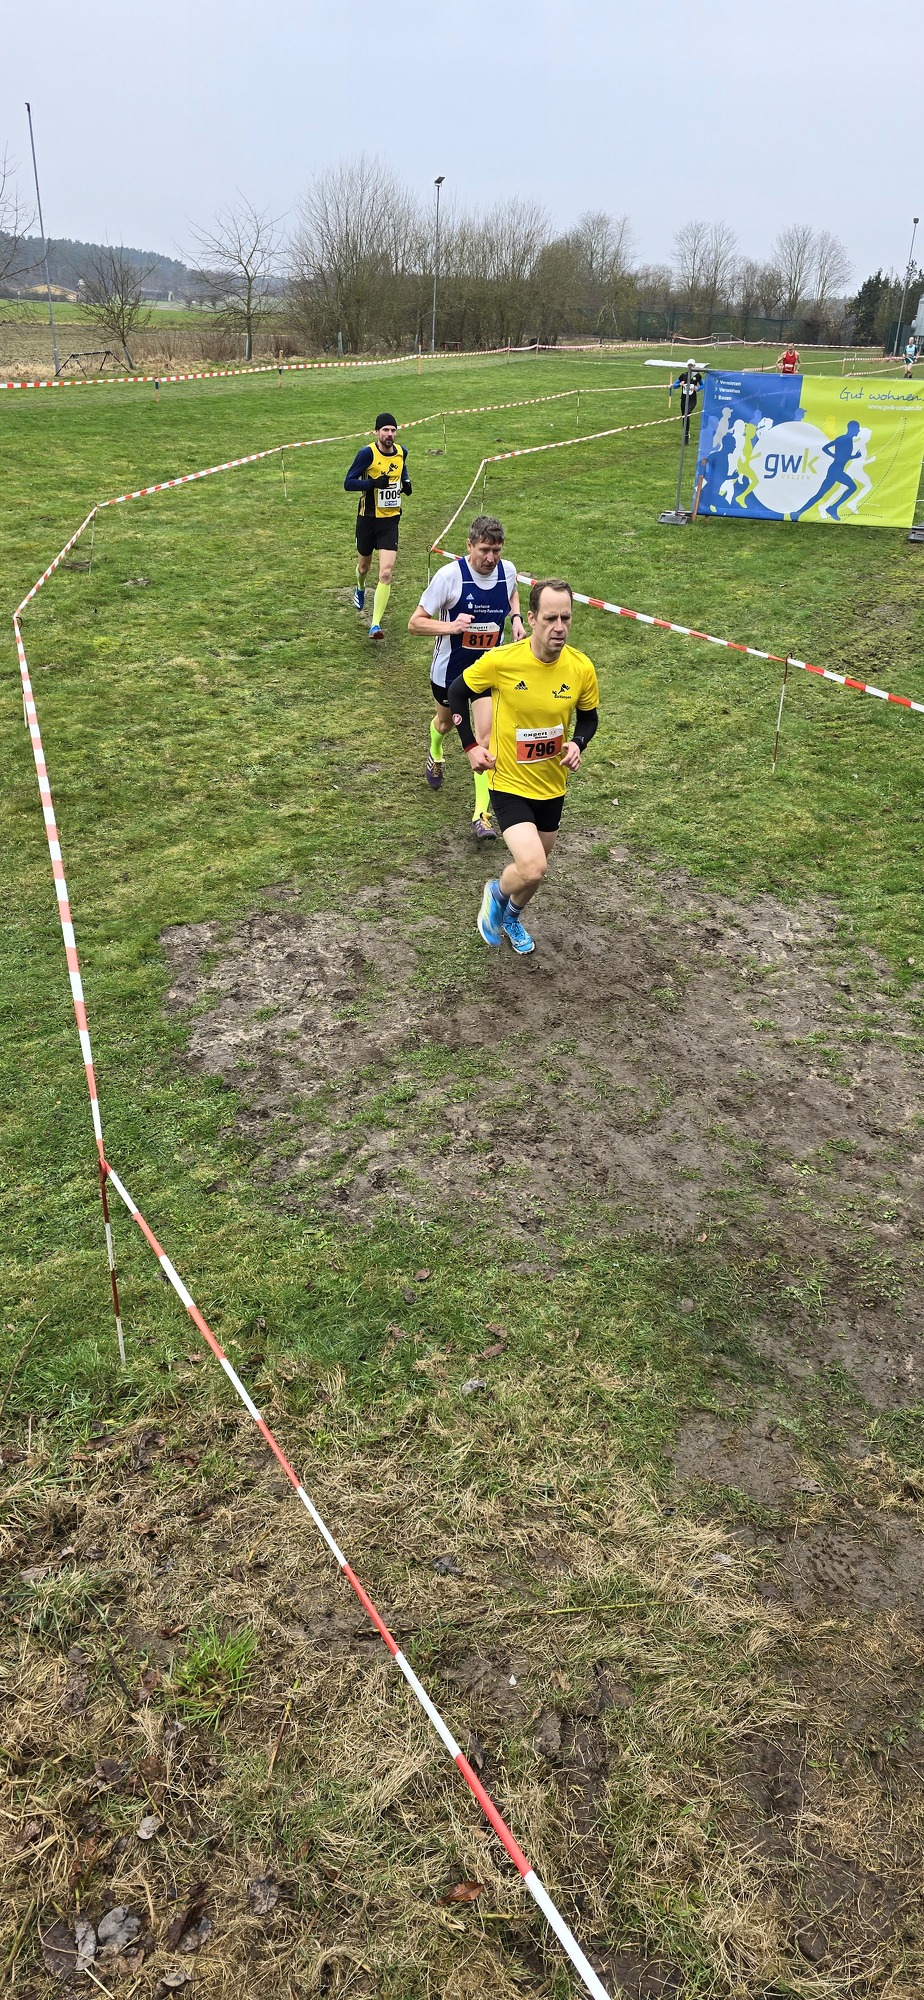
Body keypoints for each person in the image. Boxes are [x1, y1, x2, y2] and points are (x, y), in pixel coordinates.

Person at [445, 578, 599, 955]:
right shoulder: (503, 661)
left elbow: (589, 718)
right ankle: (496, 894)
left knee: (535, 872)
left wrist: (577, 743)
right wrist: (470, 747)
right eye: (550, 618)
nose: (559, 627)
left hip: (552, 785)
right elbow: (457, 692)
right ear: (531, 619)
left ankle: (512, 917)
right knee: (532, 867)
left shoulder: (580, 667)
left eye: (566, 618)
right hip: (509, 783)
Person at [407, 514, 524, 840]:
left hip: (487, 671)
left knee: (485, 740)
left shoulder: (507, 571)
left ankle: (481, 816)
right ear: (469, 546)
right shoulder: (449, 577)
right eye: (484, 550)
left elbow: (512, 591)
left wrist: (516, 618)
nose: (491, 558)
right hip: (450, 671)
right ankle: (436, 750)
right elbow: (415, 623)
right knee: (445, 724)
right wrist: (451, 627)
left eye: (496, 551)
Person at [343, 415, 411, 640]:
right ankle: (360, 587)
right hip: (368, 519)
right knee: (364, 568)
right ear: (377, 432)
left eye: (393, 430)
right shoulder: (367, 454)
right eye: (385, 430)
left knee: (386, 573)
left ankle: (375, 625)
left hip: (390, 521)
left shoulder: (401, 452)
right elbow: (348, 482)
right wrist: (372, 484)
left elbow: (401, 469)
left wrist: (406, 482)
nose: (390, 434)